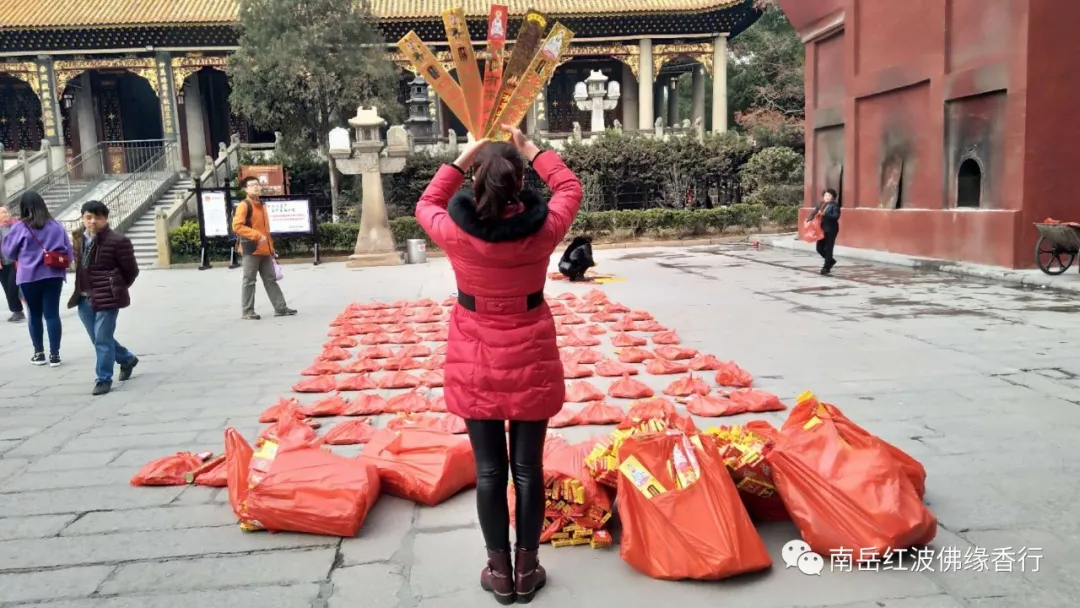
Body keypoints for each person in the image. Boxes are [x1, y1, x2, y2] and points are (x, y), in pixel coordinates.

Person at [415, 125, 582, 605]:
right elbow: (570, 187)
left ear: (476, 185)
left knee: (490, 472)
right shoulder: (545, 228)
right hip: (531, 354)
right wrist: (530, 148)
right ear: (520, 185)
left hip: (475, 359)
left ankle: (499, 574)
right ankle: (527, 572)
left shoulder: (457, 235)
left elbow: (427, 202)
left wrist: (465, 154)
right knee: (527, 469)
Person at [68, 201, 140, 396]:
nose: (92, 222)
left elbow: (131, 270)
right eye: (88, 217)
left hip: (107, 297)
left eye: (98, 218)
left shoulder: (118, 241)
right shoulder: (78, 239)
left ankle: (103, 379)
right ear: (83, 218)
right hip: (84, 296)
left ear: (105, 219)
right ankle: (126, 359)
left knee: (102, 339)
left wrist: (115, 286)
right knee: (98, 338)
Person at [1, 191, 73, 366]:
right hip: (53, 275)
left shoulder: (20, 227)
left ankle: (39, 353)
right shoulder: (56, 226)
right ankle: (55, 355)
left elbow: (9, 253)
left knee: (34, 314)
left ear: (23, 207)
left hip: (28, 277)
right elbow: (69, 252)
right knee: (52, 314)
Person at [232, 176, 295, 320]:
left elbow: (266, 230)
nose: (255, 187)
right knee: (249, 280)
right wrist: (255, 235)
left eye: (257, 184)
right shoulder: (244, 205)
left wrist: (271, 248)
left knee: (270, 279)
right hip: (251, 249)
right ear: (245, 189)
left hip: (265, 250)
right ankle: (247, 311)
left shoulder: (261, 205)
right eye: (251, 185)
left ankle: (280, 307)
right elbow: (237, 226)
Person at [807, 187, 841, 275]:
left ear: (833, 197)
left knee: (829, 248)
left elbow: (836, 216)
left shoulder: (834, 205)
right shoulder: (821, 204)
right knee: (819, 248)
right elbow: (814, 212)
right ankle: (830, 261)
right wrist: (809, 220)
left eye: (829, 195)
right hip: (820, 229)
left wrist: (826, 214)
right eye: (825, 195)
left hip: (831, 229)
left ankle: (826, 267)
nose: (826, 197)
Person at [0, 207, 26, 322]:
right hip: (2, 263)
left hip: (16, 261)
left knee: (12, 286)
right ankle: (16, 311)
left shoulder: (16, 224)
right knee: (7, 287)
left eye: (6, 211)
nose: (4, 214)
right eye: (1, 212)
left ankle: (18, 310)